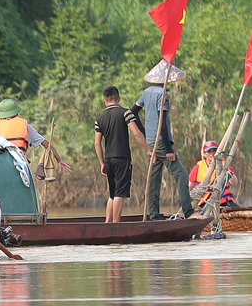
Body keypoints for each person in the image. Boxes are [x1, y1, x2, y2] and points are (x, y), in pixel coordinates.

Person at [135, 64, 193, 219]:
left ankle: (153, 216)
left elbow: (132, 113)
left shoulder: (146, 92)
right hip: (161, 143)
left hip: (151, 143)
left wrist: (146, 133)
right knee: (181, 174)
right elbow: (162, 124)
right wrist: (169, 150)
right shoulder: (163, 95)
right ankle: (189, 211)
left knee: (153, 182)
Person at [93, 86, 148, 223]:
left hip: (109, 159)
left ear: (104, 101)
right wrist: (148, 149)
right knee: (120, 193)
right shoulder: (126, 113)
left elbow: (97, 144)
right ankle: (116, 225)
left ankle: (107, 223)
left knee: (112, 194)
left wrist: (102, 163)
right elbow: (136, 133)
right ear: (119, 99)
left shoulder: (100, 119)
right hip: (122, 157)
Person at [0, 99, 73, 174]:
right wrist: (59, 160)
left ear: (1, 115)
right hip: (19, 164)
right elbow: (46, 144)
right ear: (16, 113)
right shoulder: (25, 126)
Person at [189, 140, 238, 209]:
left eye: (214, 151)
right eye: (209, 151)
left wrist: (226, 168)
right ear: (205, 153)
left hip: (224, 202)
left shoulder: (225, 164)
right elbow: (189, 187)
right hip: (205, 203)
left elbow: (234, 182)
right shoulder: (197, 167)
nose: (212, 153)